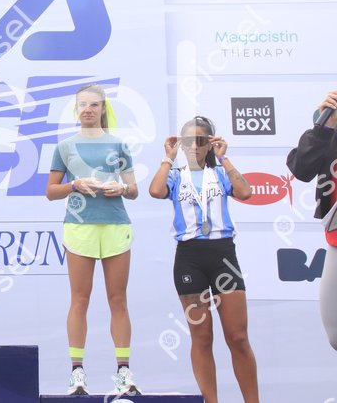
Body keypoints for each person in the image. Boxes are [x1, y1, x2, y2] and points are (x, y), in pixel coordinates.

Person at [148, 116, 258, 403]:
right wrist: (168, 157)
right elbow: (156, 191)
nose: (194, 146)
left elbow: (245, 192)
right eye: (188, 141)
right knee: (202, 337)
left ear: (210, 143)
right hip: (189, 258)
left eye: (200, 141)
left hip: (223, 256)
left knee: (237, 337)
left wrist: (225, 158)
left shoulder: (220, 172)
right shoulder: (175, 175)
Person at [46, 83, 140, 396]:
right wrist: (74, 185)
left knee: (118, 299)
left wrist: (121, 188)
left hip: (115, 225)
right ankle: (77, 373)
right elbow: (51, 191)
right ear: (76, 109)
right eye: (83, 104)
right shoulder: (65, 147)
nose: (88, 109)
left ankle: (123, 372)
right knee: (80, 299)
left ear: (102, 109)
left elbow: (134, 190)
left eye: (94, 105)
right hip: (79, 227)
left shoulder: (119, 144)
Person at [286, 90, 337, 351]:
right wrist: (324, 126)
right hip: (336, 239)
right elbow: (302, 170)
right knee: (335, 335)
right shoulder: (328, 129)